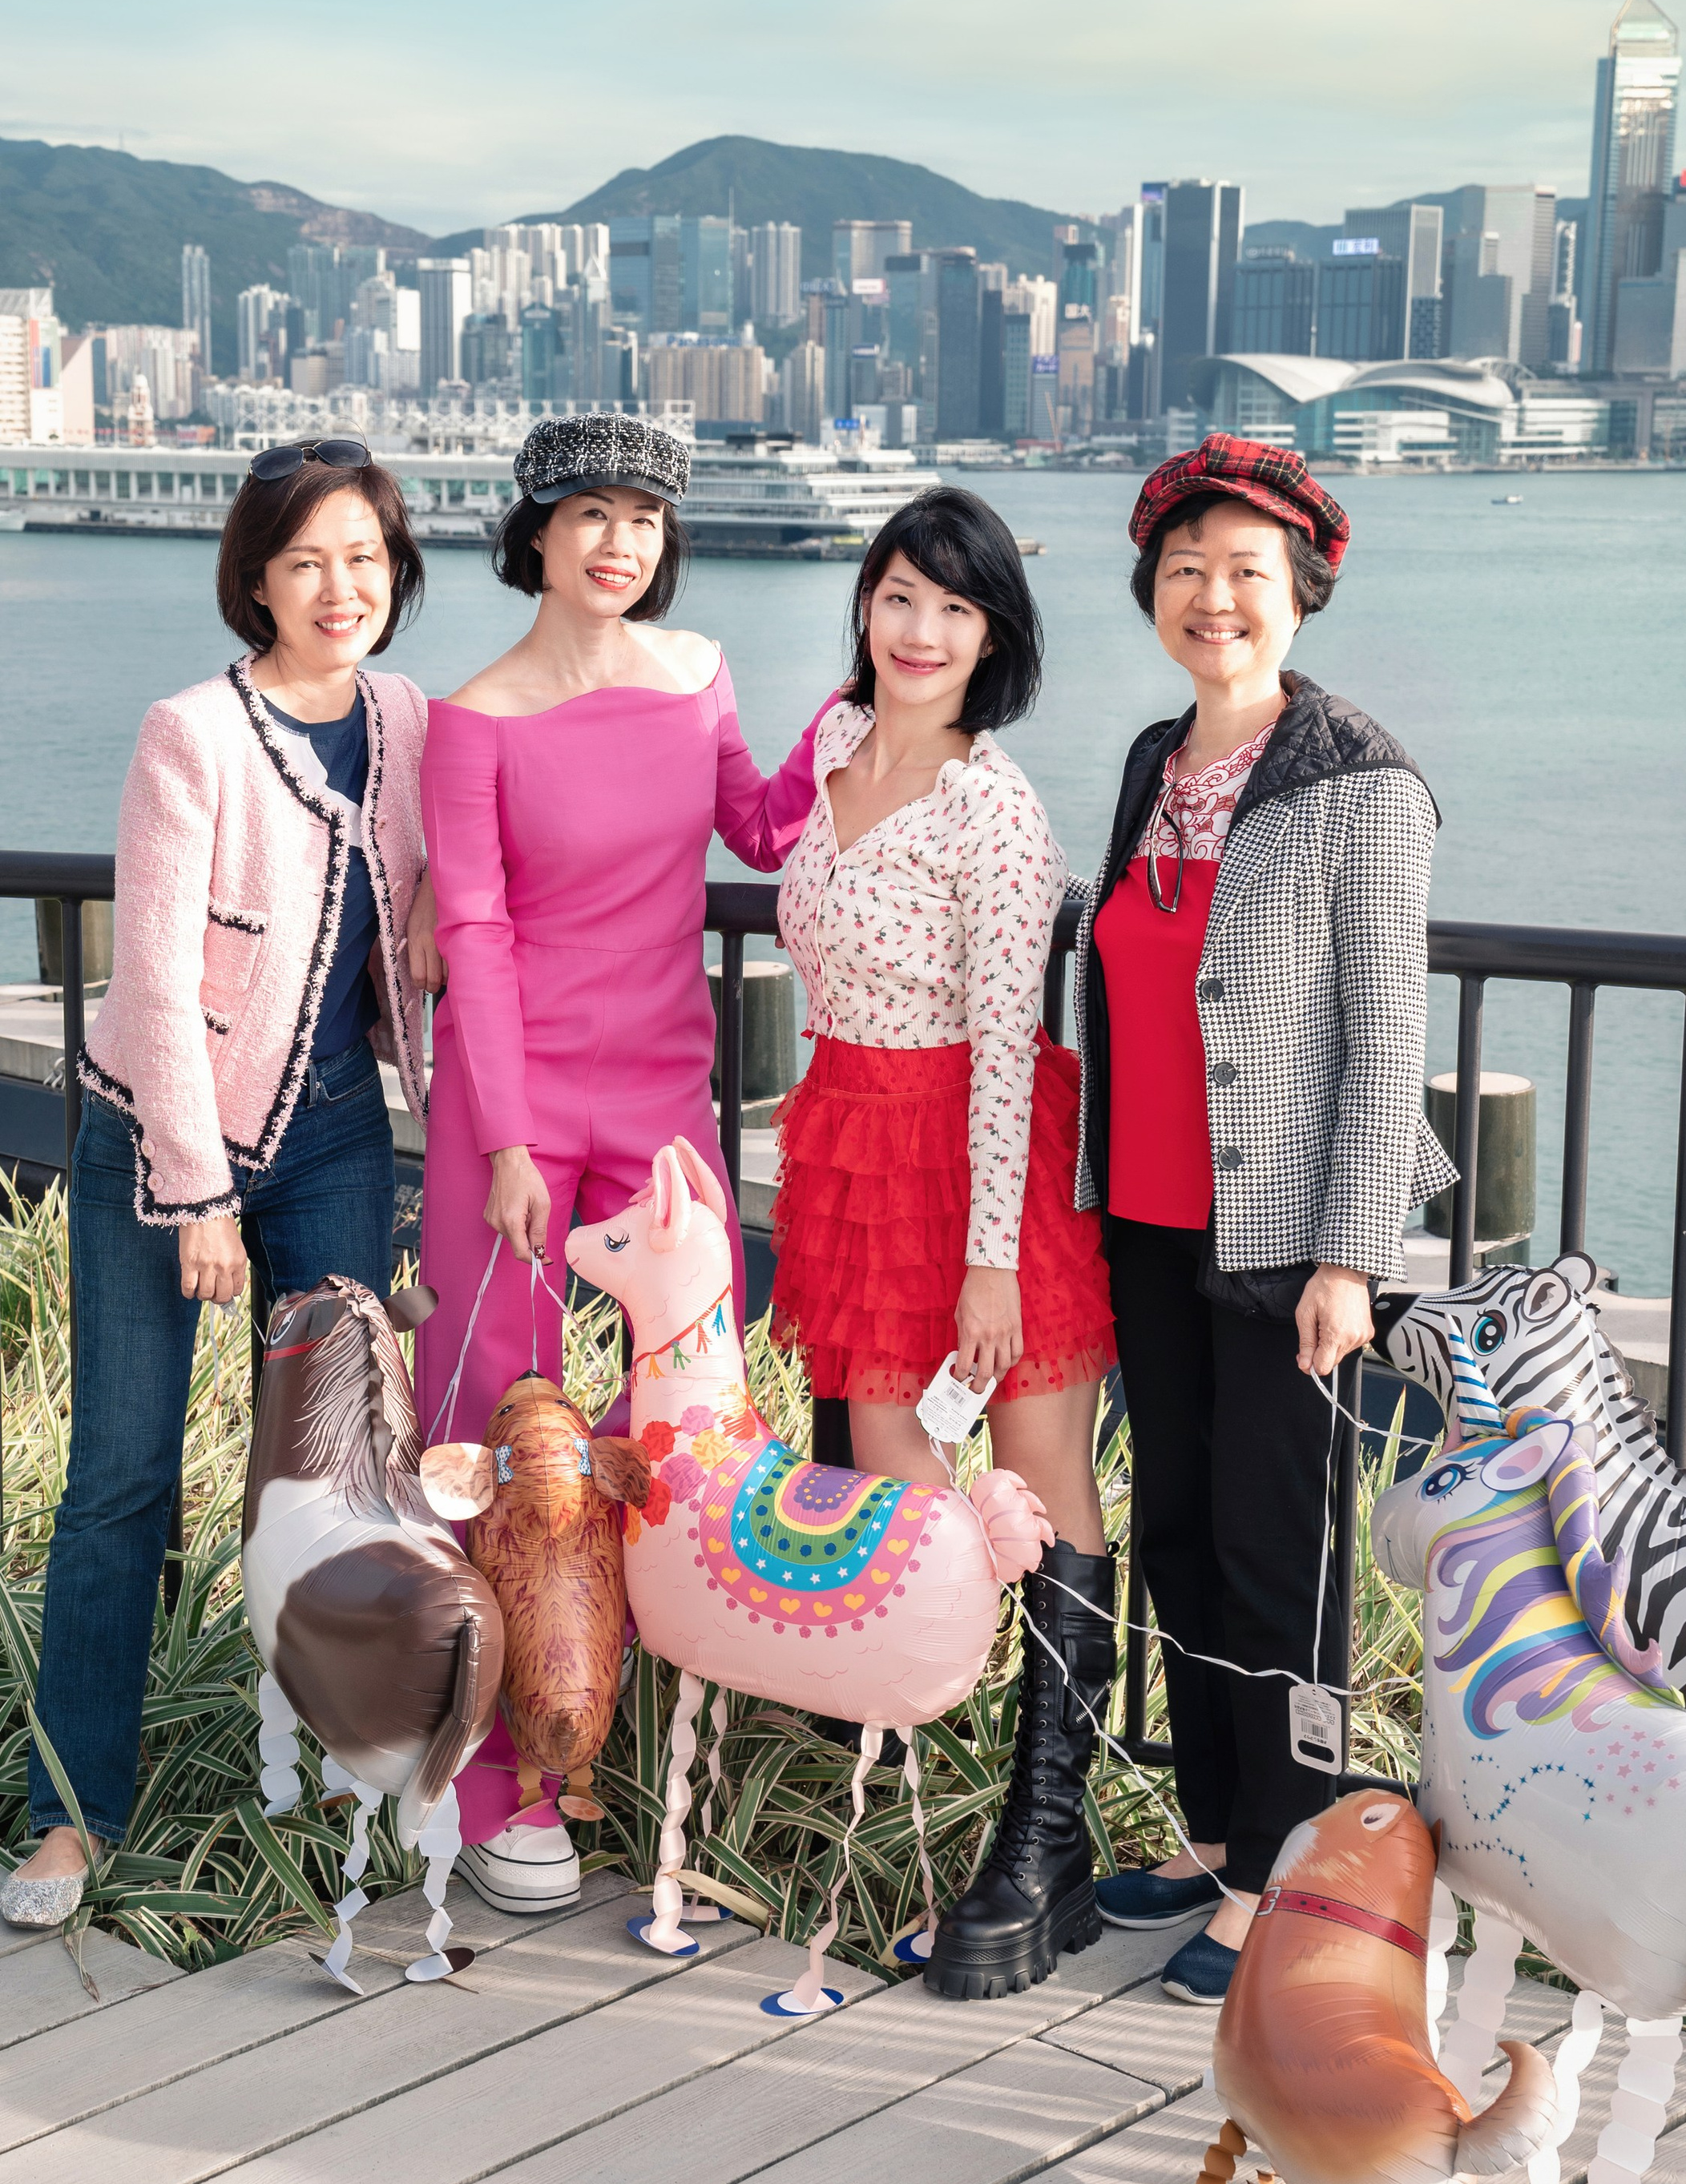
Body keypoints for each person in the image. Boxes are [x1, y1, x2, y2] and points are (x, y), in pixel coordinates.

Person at [1, 440, 436, 1928]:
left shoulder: (415, 724)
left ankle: (344, 1797)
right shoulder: (191, 732)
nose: (340, 588)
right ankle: (73, 1811)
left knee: (337, 1488)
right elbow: (158, 979)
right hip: (162, 1138)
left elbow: (426, 909)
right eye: (307, 560)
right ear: (254, 577)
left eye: (365, 558)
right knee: (121, 1479)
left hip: (330, 1135)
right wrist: (192, 1194)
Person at [417, 412, 828, 1916]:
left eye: (646, 516)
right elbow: (472, 929)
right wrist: (512, 1137)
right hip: (512, 1103)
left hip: (664, 1093)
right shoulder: (476, 716)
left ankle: (648, 1739)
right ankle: (498, 1791)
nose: (620, 542)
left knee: (685, 1414)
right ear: (533, 533)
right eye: (590, 513)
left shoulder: (699, 671)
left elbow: (766, 827)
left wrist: (878, 700)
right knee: (492, 1425)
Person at [1071, 433, 1455, 2005]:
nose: (1211, 598)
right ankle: (1216, 1826)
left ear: (1298, 589)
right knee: (1171, 1531)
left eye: (1243, 573)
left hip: (1286, 1241)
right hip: (1146, 1223)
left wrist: (1351, 1260)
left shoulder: (1357, 782)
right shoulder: (1152, 760)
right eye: (1183, 572)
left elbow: (1387, 1039)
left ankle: (1285, 1864)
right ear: (1150, 595)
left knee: (1269, 1551)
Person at [768, 486, 1119, 2001]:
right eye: (900, 596)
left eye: (955, 609)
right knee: (899, 1502)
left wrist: (990, 1255)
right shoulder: (832, 749)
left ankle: (1047, 1838)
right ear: (866, 603)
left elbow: (1002, 1042)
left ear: (995, 638)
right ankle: (922, 1816)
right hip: (851, 1149)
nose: (919, 631)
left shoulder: (993, 804)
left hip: (981, 1166)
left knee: (1041, 1482)